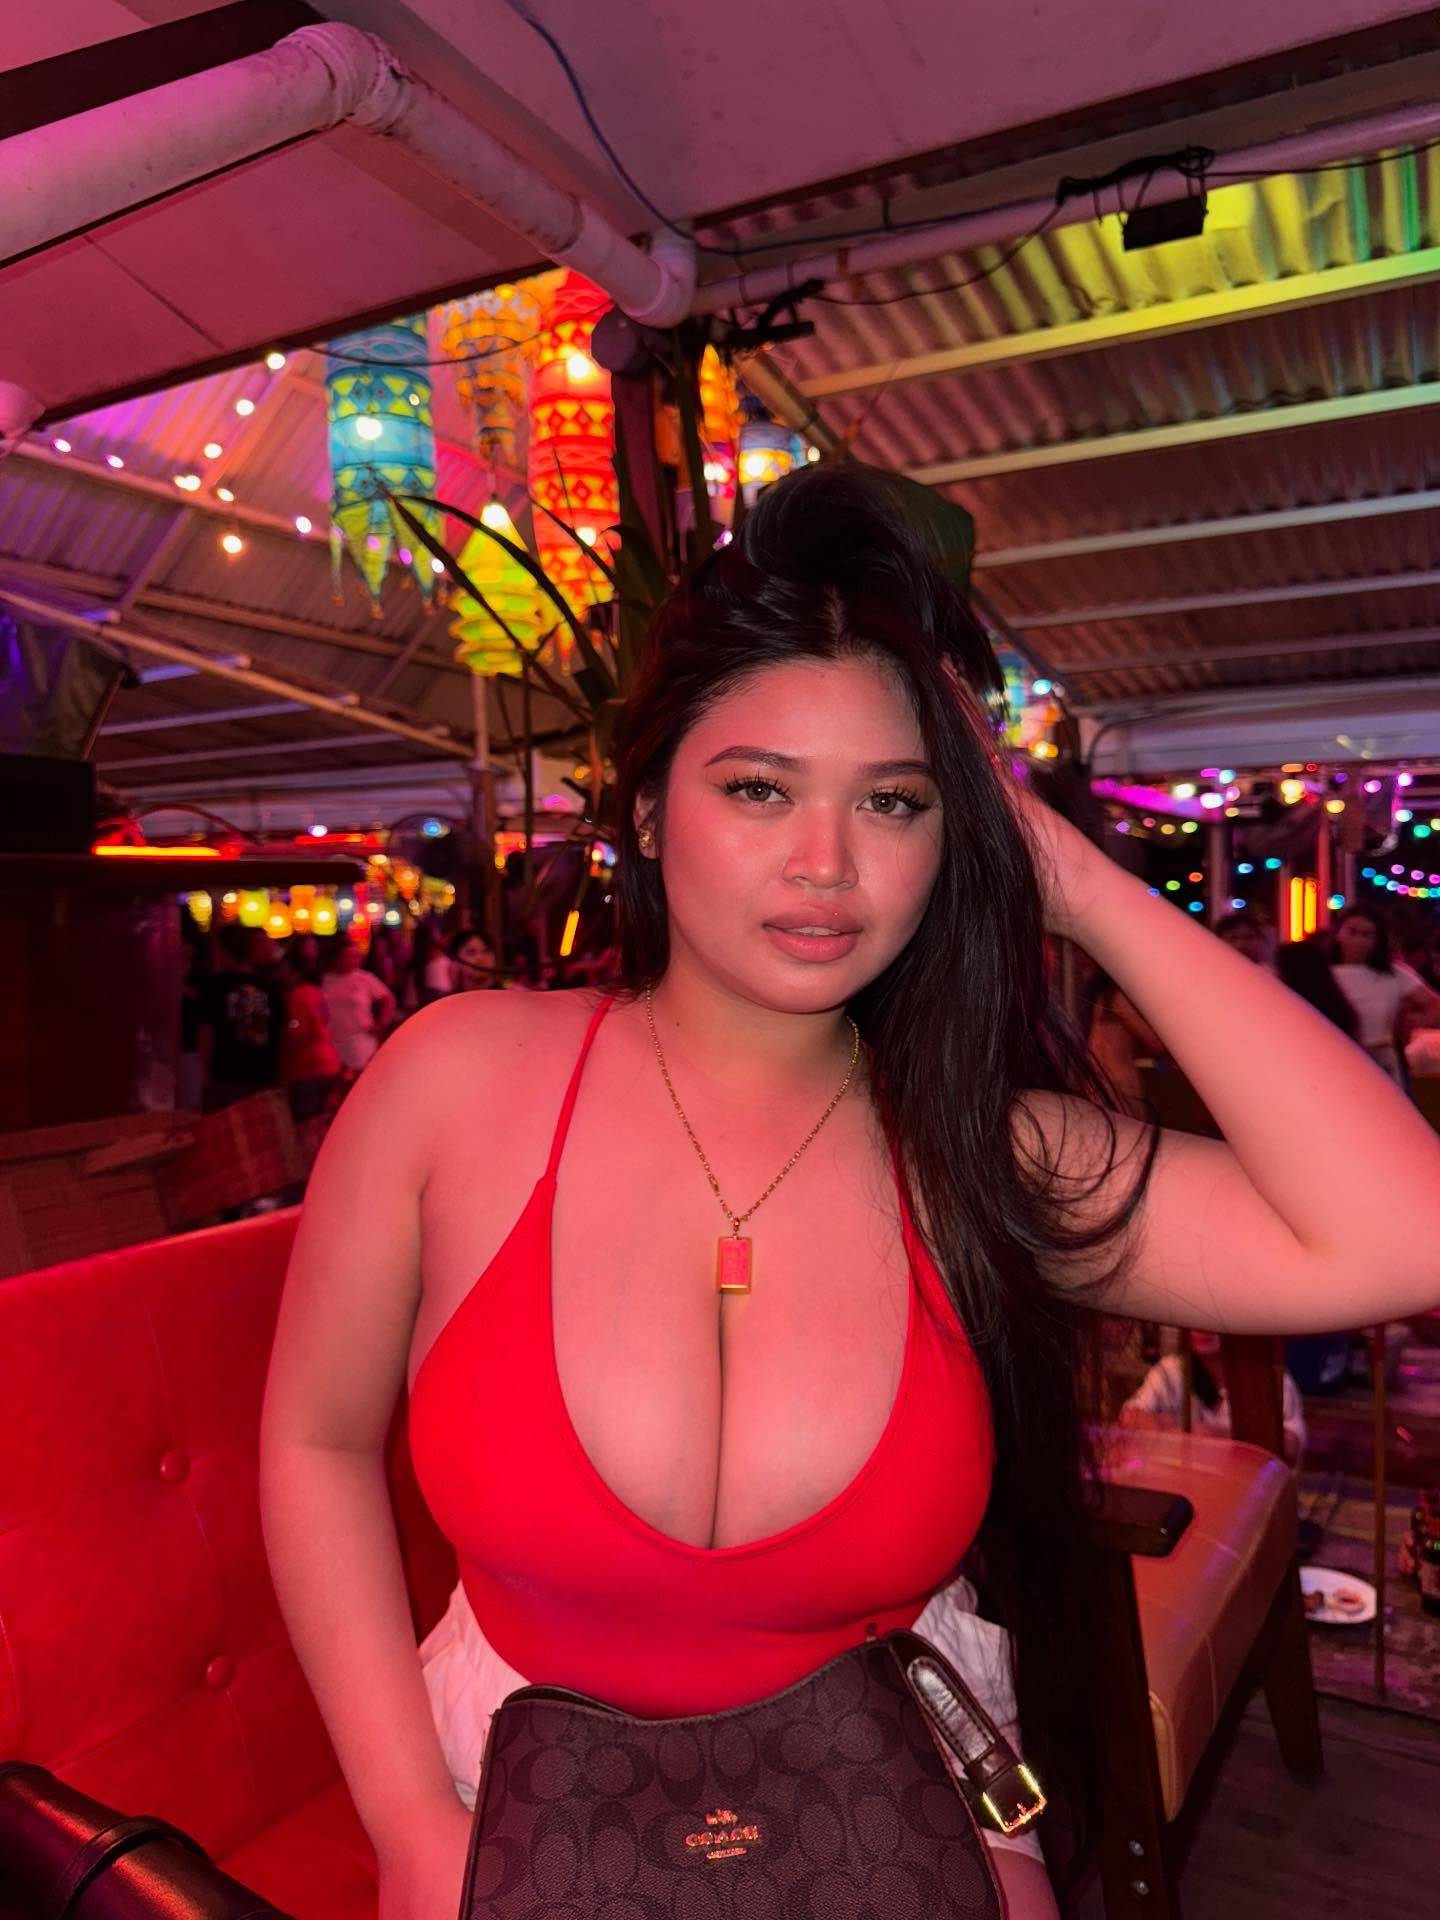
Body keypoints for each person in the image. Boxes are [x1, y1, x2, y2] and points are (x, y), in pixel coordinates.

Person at [258, 464, 1440, 1920]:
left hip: (888, 1798)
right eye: (759, 788)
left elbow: (1405, 1236)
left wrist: (1076, 882)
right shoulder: (456, 1081)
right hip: (503, 1777)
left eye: (892, 803)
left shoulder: (980, 1152)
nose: (826, 865)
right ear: (649, 810)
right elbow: (314, 1442)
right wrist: (406, 1818)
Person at [1120, 1329, 1308, 1468]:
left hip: (1246, 1489)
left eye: (1214, 1319)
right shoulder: (1172, 1370)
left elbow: (1290, 1446)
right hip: (1187, 1484)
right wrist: (1185, 1435)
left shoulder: (1268, 1379)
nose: (1204, 1329)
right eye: (1197, 1317)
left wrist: (1213, 1435)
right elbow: (1129, 1417)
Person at [1326, 906, 1440, 1083]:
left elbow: (1434, 1004)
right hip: (1335, 1055)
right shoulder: (1324, 973)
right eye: (1352, 932)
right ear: (1338, 933)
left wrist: (1411, 1026)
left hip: (1380, 1055)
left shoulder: (1393, 973)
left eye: (1367, 935)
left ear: (1377, 940)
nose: (1358, 940)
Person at [198, 925, 286, 1111]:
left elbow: (207, 1031)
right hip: (264, 1073)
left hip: (227, 1074)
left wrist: (204, 1070)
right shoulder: (270, 986)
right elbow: (282, 1032)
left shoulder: (215, 986)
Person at [1086, 966, 1165, 1116]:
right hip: (1119, 1086)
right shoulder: (1120, 1000)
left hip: (1099, 1083)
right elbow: (1155, 1043)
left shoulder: (1102, 1002)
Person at [277, 943, 344, 1122]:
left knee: (307, 1123)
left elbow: (298, 1031)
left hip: (308, 1067)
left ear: (292, 971)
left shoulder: (297, 995)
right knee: (324, 1121)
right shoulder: (314, 991)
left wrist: (286, 1032)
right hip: (328, 1061)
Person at [323, 939, 397, 1074]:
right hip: (333, 1041)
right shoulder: (325, 979)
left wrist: (381, 1024)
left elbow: (388, 999)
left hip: (359, 1041)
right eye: (349, 956)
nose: (354, 960)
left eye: (356, 956)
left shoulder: (363, 978)